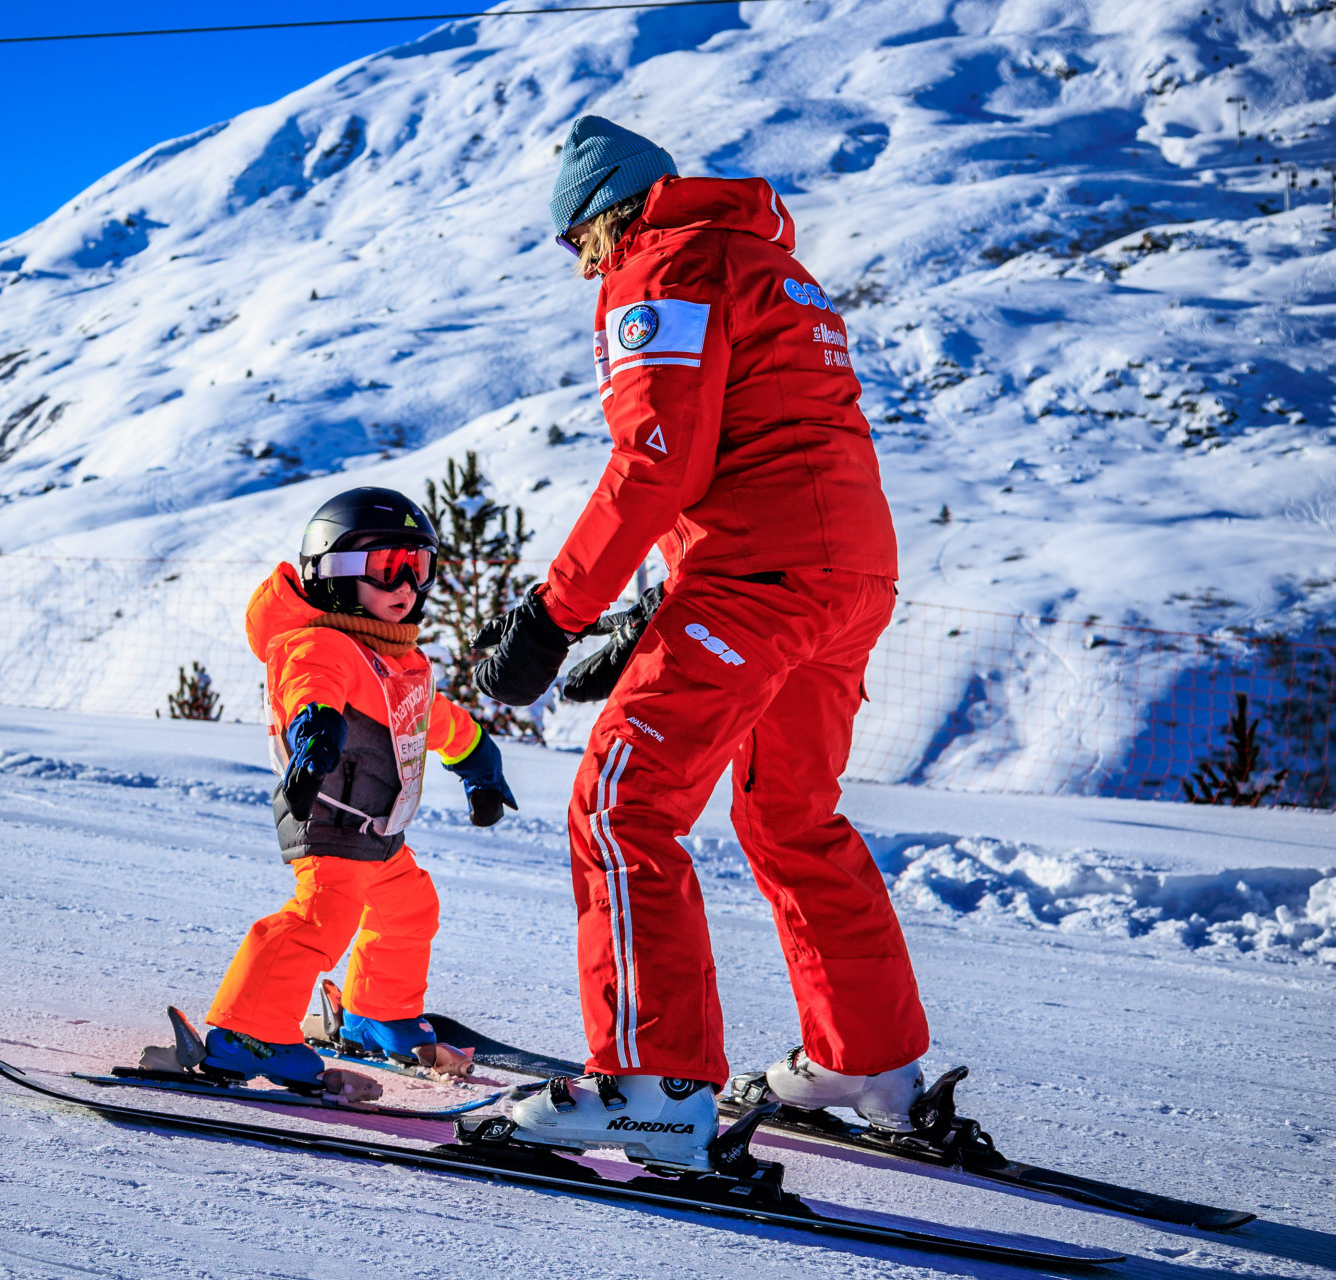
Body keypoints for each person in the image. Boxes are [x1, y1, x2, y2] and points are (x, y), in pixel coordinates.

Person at [473, 116, 931, 1170]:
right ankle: (866, 1058)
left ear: (610, 213)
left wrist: (555, 614)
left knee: (620, 802)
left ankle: (649, 1087)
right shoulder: (771, 260)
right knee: (789, 813)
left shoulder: (664, 265)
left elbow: (656, 462)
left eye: (576, 239)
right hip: (848, 574)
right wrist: (652, 608)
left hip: (755, 579)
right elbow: (768, 441)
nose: (580, 262)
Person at [170, 487, 518, 1092]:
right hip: (329, 814)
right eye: (388, 568)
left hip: (378, 832)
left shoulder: (393, 656)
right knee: (320, 919)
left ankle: (375, 1015)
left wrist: (477, 760)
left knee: (410, 909)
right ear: (333, 573)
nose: (407, 585)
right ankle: (247, 1032)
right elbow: (309, 686)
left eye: (420, 567)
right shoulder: (322, 642)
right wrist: (315, 732)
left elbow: (428, 715)